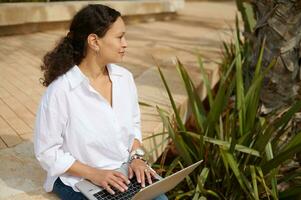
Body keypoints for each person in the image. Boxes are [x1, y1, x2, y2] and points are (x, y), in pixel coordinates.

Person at [34, 4, 168, 200]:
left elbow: (133, 127)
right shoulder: (62, 91)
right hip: (79, 181)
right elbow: (47, 152)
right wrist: (95, 174)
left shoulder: (125, 79)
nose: (125, 43)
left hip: (123, 172)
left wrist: (137, 159)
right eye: (119, 37)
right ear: (94, 41)